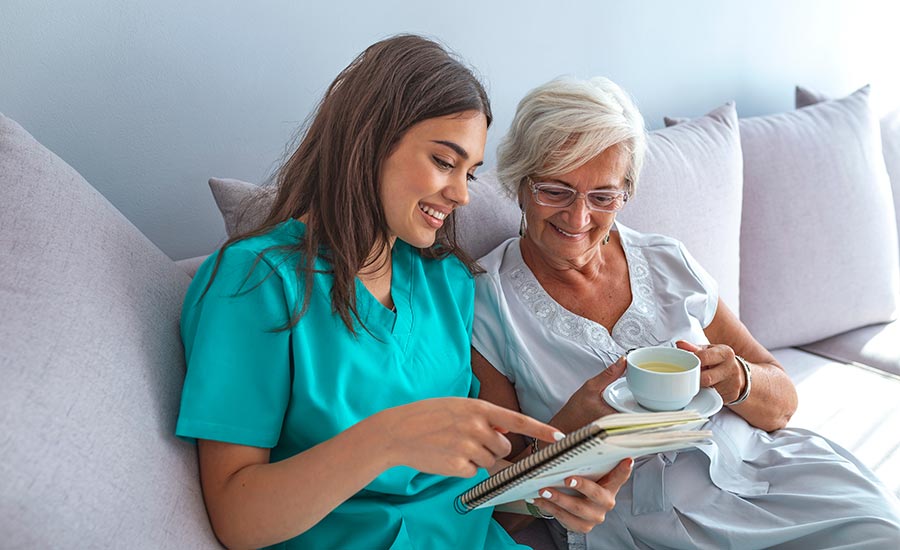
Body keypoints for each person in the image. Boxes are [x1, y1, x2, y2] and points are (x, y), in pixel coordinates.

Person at [175, 36, 631, 549]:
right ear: (369, 140)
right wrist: (386, 439)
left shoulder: (449, 283)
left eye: (470, 173)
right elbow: (237, 518)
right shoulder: (256, 281)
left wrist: (549, 495)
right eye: (444, 161)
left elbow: (461, 492)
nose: (461, 194)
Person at [472, 76, 900, 548]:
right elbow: (498, 508)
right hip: (651, 520)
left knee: (879, 530)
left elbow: (783, 404)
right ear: (519, 182)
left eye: (603, 197)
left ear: (626, 192)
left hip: (762, 472)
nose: (578, 219)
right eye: (555, 190)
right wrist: (569, 431)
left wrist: (736, 378)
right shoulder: (488, 303)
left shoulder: (665, 259)